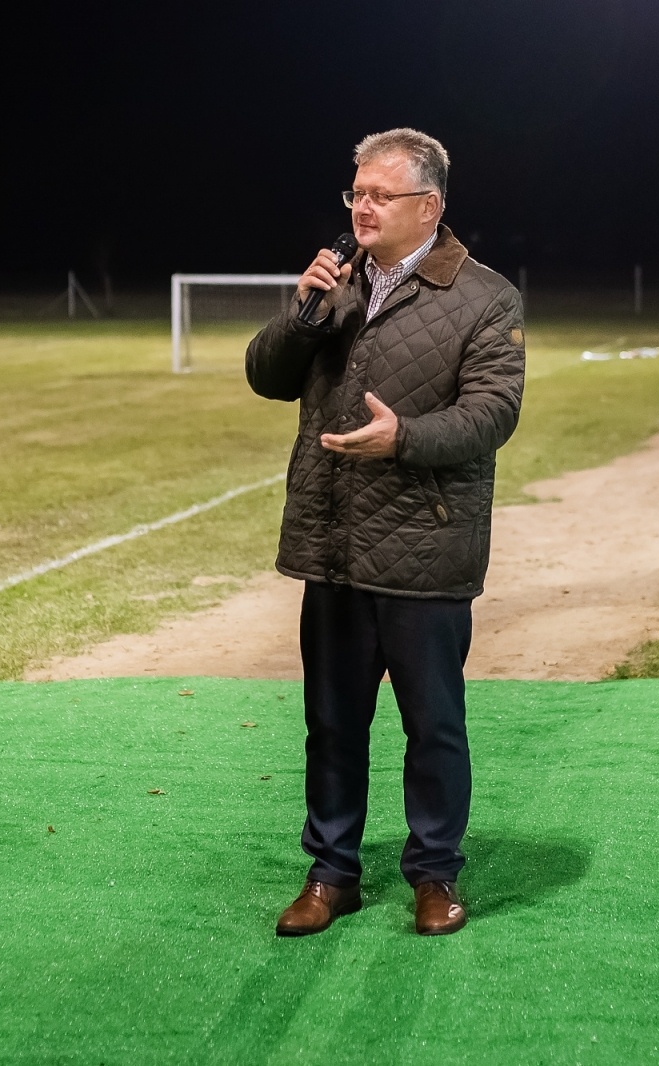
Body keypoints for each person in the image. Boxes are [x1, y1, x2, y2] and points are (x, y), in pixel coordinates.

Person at [246, 129, 526, 937]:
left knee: (432, 727)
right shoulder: (335, 284)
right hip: (331, 543)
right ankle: (331, 873)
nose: (361, 208)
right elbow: (266, 376)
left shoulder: (485, 297)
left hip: (423, 548)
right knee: (331, 723)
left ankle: (435, 874)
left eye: (379, 195)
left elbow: (493, 413)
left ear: (428, 207)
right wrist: (302, 315)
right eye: (356, 193)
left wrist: (404, 437)